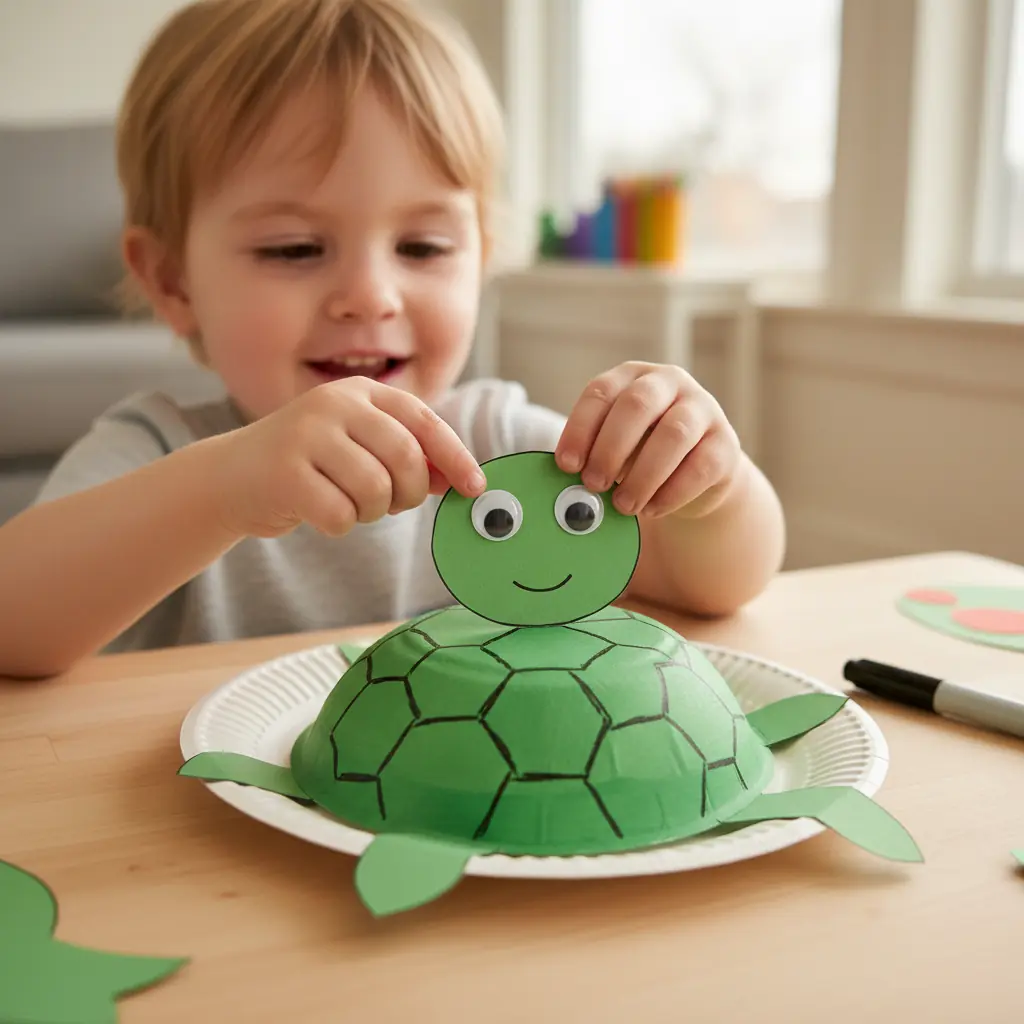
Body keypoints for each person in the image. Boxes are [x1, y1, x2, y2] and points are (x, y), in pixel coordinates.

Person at [0, 0, 785, 680]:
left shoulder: (499, 443)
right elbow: (14, 623)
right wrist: (226, 487)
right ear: (173, 282)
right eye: (294, 249)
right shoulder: (160, 451)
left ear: (481, 256)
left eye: (423, 248)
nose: (370, 297)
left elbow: (717, 586)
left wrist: (710, 489)